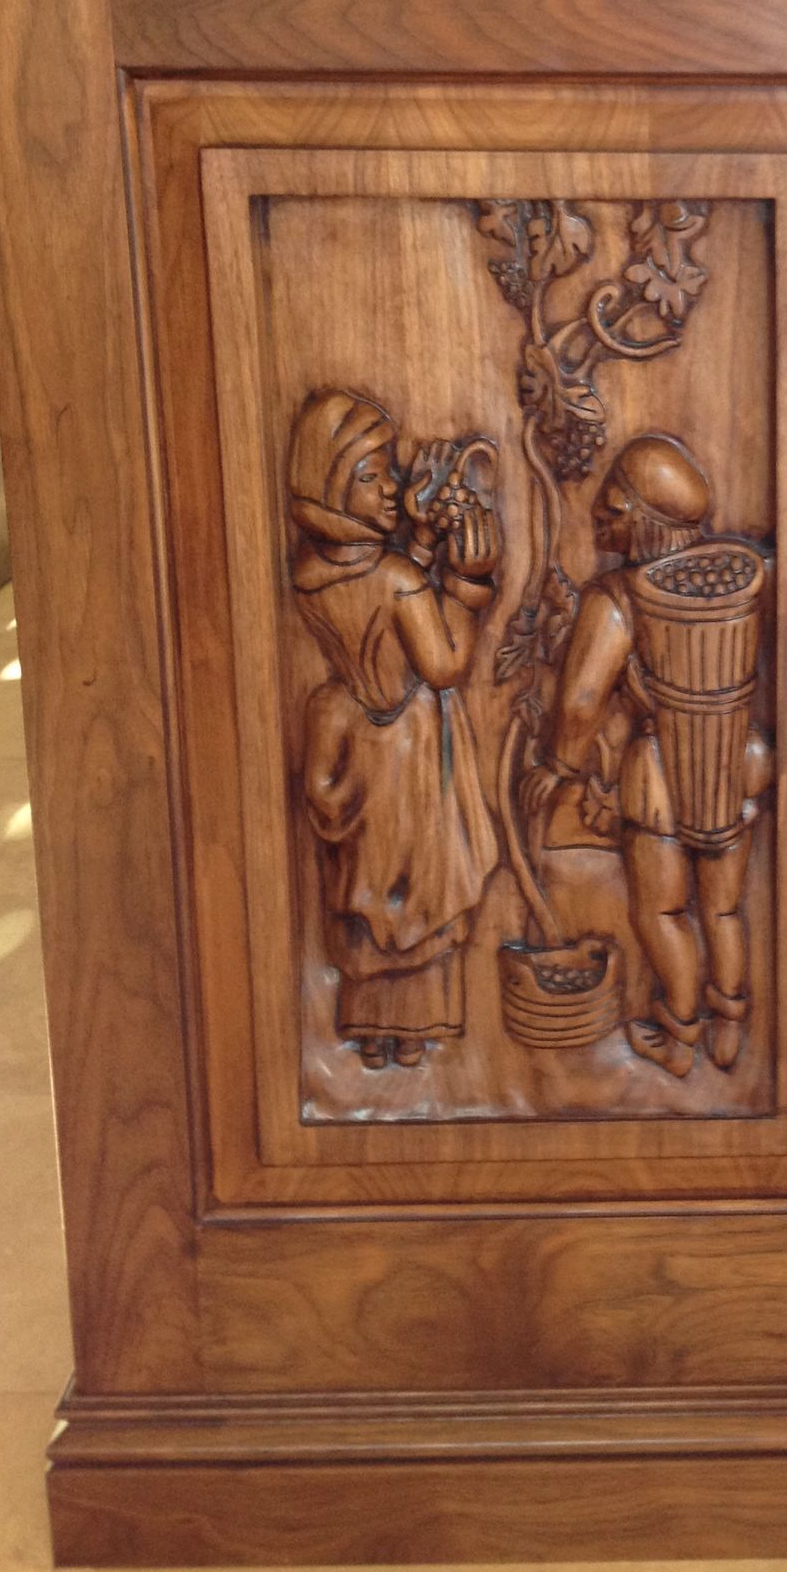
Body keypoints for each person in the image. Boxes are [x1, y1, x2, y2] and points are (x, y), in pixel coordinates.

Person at [521, 433, 768, 1078]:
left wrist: (560, 766)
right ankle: (730, 1031)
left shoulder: (619, 599)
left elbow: (580, 702)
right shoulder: (734, 580)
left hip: (658, 774)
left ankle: (681, 1038)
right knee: (722, 908)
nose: (598, 515)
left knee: (661, 912)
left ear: (643, 519)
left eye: (613, 505)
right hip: (735, 763)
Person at [288, 390, 502, 1070]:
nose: (392, 486)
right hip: (408, 751)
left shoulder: (311, 573)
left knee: (372, 886)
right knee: (420, 889)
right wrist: (468, 581)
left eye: (390, 471)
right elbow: (443, 664)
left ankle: (370, 1030)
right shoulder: (399, 580)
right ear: (331, 486)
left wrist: (421, 541)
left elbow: (371, 607)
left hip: (354, 738)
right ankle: (416, 1030)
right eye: (371, 476)